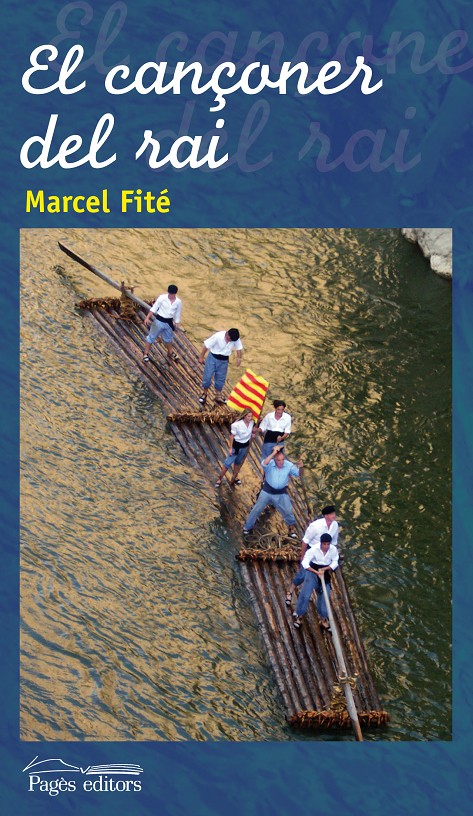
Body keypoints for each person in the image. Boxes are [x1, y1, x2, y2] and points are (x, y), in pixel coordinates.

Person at [242, 446, 303, 538]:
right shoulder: (270, 463)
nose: (281, 462)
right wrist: (274, 453)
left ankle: (291, 529)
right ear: (274, 460)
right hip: (267, 491)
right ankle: (247, 527)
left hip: (281, 493)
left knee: (288, 511)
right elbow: (263, 463)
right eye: (278, 460)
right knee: (256, 509)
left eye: (282, 460)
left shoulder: (288, 465)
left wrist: (301, 468)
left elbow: (299, 474)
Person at [286, 533, 339, 630]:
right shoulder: (313, 549)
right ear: (321, 543)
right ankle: (299, 616)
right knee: (305, 595)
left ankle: (323, 618)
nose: (326, 546)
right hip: (312, 574)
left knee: (325, 597)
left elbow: (335, 561)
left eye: (328, 544)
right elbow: (305, 562)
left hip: (325, 574)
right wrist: (316, 572)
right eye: (324, 544)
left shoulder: (333, 550)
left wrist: (325, 569)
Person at [198, 328, 243, 405]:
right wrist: (201, 357)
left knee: (220, 378)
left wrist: (239, 358)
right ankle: (204, 393)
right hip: (213, 358)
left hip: (224, 360)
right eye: (229, 339)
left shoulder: (235, 338)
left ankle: (218, 396)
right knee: (207, 376)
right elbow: (206, 346)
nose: (230, 341)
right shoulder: (218, 336)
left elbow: (239, 348)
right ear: (227, 334)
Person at [215, 408, 257, 487]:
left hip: (244, 446)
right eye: (248, 416)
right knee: (227, 463)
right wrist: (230, 448)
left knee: (238, 462)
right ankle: (220, 478)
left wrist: (253, 434)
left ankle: (235, 476)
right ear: (244, 416)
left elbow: (251, 432)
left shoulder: (252, 423)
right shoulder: (236, 425)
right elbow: (232, 436)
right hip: (236, 446)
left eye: (251, 416)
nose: (250, 418)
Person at [142, 284, 182, 363]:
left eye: (172, 294)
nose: (171, 296)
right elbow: (154, 308)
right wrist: (147, 317)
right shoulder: (162, 298)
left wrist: (177, 322)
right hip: (159, 321)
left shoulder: (178, 302)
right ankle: (145, 353)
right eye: (170, 294)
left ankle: (170, 352)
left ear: (175, 293)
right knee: (151, 337)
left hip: (168, 323)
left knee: (168, 339)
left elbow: (177, 313)